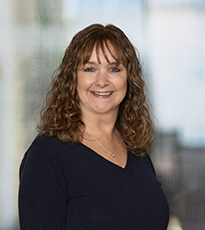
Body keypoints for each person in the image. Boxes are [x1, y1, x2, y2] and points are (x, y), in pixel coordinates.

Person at [18, 24, 169, 230]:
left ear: (128, 78)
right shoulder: (46, 156)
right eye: (90, 68)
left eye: (114, 68)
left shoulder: (136, 151)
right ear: (72, 78)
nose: (102, 81)